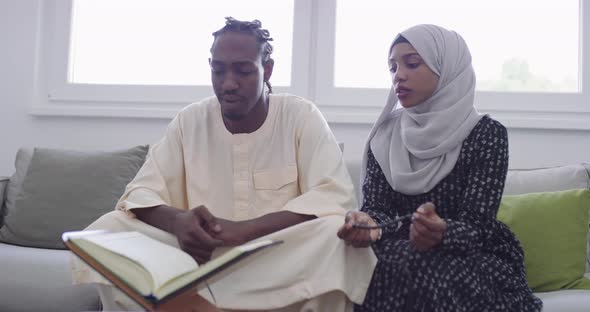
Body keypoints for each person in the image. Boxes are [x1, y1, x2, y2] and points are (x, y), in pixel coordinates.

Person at [72, 17, 377, 311]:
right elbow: (139, 195)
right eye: (218, 71)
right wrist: (178, 223)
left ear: (267, 69)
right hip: (198, 258)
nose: (228, 83)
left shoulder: (301, 116)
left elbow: (334, 196)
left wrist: (244, 231)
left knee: (335, 235)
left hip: (274, 258)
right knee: (111, 228)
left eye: (243, 71)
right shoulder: (189, 121)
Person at [337, 24, 543, 311]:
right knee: (365, 263)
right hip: (399, 248)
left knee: (423, 269)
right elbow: (378, 209)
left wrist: (442, 231)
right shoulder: (384, 136)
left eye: (412, 63)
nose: (399, 75)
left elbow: (477, 227)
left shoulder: (486, 134)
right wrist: (368, 224)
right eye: (393, 67)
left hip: (471, 254)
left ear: (446, 68)